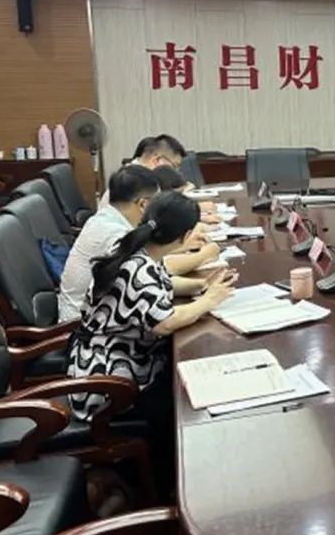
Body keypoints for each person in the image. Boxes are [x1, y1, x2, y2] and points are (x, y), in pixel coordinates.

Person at [67, 191, 236, 494]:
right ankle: (163, 488)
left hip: (112, 362)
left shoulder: (138, 252)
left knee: (184, 381)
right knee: (184, 401)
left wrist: (201, 286)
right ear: (185, 236)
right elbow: (165, 322)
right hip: (107, 381)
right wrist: (209, 300)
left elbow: (163, 282)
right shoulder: (137, 268)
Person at [58, 166, 221, 321]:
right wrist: (204, 256)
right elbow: (159, 273)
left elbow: (156, 275)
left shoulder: (107, 218)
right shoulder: (115, 233)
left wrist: (201, 284)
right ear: (143, 204)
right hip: (81, 321)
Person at [99, 134, 187, 206]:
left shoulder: (140, 174)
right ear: (157, 160)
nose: (176, 171)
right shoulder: (134, 179)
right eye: (174, 166)